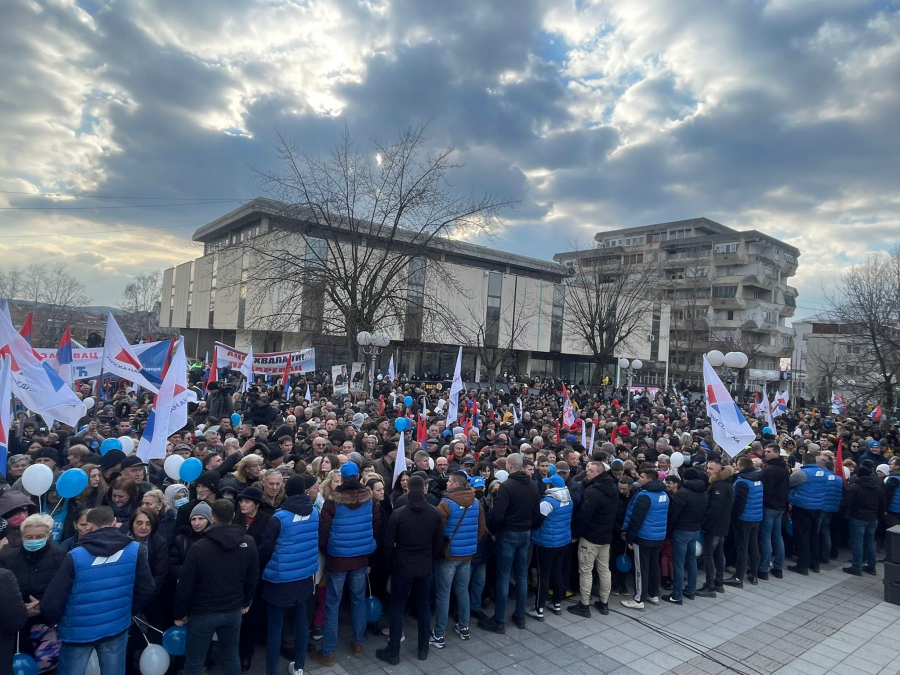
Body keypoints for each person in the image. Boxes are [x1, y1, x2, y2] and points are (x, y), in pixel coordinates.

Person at [41, 506, 155, 675]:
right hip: (116, 628)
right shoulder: (134, 550)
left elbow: (52, 600)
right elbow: (147, 588)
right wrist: (127, 611)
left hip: (78, 632)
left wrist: (56, 621)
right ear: (114, 522)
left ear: (89, 526)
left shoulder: (75, 556)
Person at [173, 499, 260, 675]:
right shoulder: (248, 542)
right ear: (234, 516)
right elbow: (253, 576)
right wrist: (245, 601)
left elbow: (185, 585)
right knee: (230, 656)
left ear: (212, 518)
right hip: (233, 611)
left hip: (203, 613)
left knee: (195, 661)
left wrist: (180, 613)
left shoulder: (199, 548)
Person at [311, 461, 381, 666]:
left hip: (338, 558)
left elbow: (323, 530)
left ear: (342, 477)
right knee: (358, 599)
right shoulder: (370, 500)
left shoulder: (332, 501)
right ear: (358, 476)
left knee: (332, 603)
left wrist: (326, 550)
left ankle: (328, 651)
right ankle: (358, 642)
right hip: (361, 557)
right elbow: (377, 526)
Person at [376, 475, 443, 665]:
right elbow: (438, 540)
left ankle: (393, 651)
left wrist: (389, 567)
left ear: (408, 490)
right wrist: (431, 558)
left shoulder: (399, 514)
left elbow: (388, 545)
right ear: (424, 489)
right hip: (424, 566)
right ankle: (423, 648)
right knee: (423, 607)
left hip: (402, 567)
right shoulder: (434, 513)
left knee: (397, 608)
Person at [258, 475, 319, 675]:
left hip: (280, 578)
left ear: (287, 490)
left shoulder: (279, 517)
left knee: (275, 627)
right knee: (301, 623)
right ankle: (299, 666)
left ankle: (271, 671)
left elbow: (265, 549)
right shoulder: (315, 512)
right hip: (304, 576)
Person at [478, 453, 539, 634]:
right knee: (521, 575)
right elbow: (536, 513)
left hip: (508, 534)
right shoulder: (534, 485)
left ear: (510, 467)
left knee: (503, 576)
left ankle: (499, 620)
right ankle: (520, 616)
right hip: (525, 533)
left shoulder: (507, 487)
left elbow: (497, 516)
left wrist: (494, 531)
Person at [0, 513, 69, 671]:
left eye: (39, 536)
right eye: (29, 536)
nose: (34, 540)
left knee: (47, 667)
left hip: (47, 623)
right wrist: (20, 609)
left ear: (48, 535)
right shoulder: (7, 557)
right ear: (22, 536)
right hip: (17, 625)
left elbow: (63, 588)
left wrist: (43, 604)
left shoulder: (62, 556)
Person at [431, 471, 486, 647]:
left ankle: (439, 634)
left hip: (448, 556)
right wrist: (470, 544)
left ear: (455, 484)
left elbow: (437, 531)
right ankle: (464, 627)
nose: (447, 485)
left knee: (443, 594)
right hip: (467, 554)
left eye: (449, 482)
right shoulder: (477, 503)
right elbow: (481, 529)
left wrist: (438, 549)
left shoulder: (446, 504)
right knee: (462, 590)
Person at [568, 461, 618, 617]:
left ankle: (584, 605)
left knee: (586, 571)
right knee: (604, 570)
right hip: (606, 537)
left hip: (590, 538)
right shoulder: (613, 488)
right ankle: (604, 603)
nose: (587, 472)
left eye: (590, 471)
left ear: (598, 473)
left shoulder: (593, 492)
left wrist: (575, 535)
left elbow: (584, 516)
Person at [621, 465, 670, 610]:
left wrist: (630, 537)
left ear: (649, 480)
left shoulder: (644, 496)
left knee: (641, 568)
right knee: (654, 565)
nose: (639, 479)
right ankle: (653, 594)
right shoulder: (664, 495)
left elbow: (636, 519)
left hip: (643, 537)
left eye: (641, 477)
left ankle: (638, 599)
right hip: (658, 536)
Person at [528, 472, 573, 620]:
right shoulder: (568, 500)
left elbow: (536, 522)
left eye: (548, 483)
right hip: (563, 541)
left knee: (543, 575)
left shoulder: (547, 502)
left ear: (551, 486)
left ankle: (538, 608)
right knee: (557, 572)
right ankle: (557, 603)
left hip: (546, 543)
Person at [663, 468, 708, 604]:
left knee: (678, 563)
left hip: (681, 531)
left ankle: (676, 595)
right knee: (691, 560)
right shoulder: (704, 493)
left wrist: (668, 533)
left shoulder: (682, 494)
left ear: (684, 479)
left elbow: (673, 515)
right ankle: (690, 590)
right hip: (694, 530)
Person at [724, 457, 764, 588]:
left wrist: (733, 517)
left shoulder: (743, 482)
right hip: (756, 517)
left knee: (742, 548)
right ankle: (754, 574)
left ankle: (738, 578)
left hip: (744, 518)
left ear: (740, 466)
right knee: (754, 546)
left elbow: (739, 503)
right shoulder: (758, 478)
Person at [697, 460, 734, 598]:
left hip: (715, 527)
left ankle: (710, 585)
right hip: (722, 525)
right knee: (718, 552)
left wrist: (705, 524)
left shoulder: (719, 486)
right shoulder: (726, 484)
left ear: (718, 471)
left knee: (709, 554)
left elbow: (714, 509)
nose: (708, 470)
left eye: (711, 468)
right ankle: (718, 582)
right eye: (707, 467)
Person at [788, 454, 829, 575]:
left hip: (802, 507)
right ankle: (815, 564)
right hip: (817, 507)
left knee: (802, 536)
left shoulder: (801, 474)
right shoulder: (823, 473)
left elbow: (788, 483)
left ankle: (802, 565)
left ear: (803, 462)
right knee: (814, 535)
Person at [843, 463, 886, 576]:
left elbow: (848, 503)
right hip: (873, 518)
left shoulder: (855, 487)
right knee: (871, 542)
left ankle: (856, 566)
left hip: (858, 517)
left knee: (857, 542)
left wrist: (845, 513)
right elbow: (883, 505)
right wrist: (878, 516)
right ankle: (871, 567)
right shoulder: (878, 488)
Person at [758, 442, 790, 580]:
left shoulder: (770, 470)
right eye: (765, 451)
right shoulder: (784, 469)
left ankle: (763, 569)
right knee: (777, 537)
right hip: (780, 507)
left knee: (766, 537)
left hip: (770, 507)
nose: (766, 453)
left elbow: (766, 491)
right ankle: (778, 568)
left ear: (777, 453)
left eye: (769, 451)